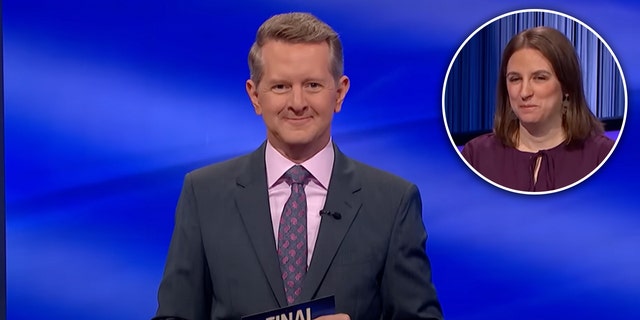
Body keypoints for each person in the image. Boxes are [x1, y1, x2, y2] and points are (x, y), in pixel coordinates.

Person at [153, 12, 443, 320]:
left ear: (340, 93)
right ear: (255, 95)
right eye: (280, 87)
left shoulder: (392, 201)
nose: (297, 102)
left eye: (313, 85)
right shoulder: (204, 194)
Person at [461, 26, 615, 192]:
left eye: (540, 78)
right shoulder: (476, 156)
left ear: (567, 86)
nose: (525, 92)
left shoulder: (603, 156)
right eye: (515, 79)